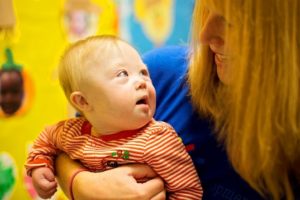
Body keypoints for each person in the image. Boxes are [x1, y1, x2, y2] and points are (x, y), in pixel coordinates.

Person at [55, 0, 300, 199]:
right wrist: (83, 185)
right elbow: (66, 145)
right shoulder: (161, 74)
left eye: (231, 21)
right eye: (208, 10)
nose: (205, 35)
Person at [25, 35, 203, 199]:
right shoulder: (71, 132)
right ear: (83, 102)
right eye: (122, 74)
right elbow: (45, 141)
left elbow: (188, 191)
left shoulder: (159, 139)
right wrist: (40, 166)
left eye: (143, 72)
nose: (142, 82)